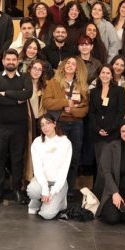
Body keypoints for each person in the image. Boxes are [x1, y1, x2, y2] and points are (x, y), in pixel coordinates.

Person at [0, 49, 33, 205]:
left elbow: (27, 94)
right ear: (3, 61)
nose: (11, 62)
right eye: (8, 59)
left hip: (19, 126)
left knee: (17, 159)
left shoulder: (25, 77)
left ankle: (17, 190)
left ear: (18, 61)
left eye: (14, 59)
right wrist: (16, 99)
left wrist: (5, 93)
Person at [43, 56, 90, 197]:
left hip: (76, 125)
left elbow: (85, 109)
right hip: (60, 123)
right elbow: (47, 103)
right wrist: (65, 102)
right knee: (58, 158)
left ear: (77, 68)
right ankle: (56, 189)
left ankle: (69, 190)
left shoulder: (82, 86)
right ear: (63, 66)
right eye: (68, 63)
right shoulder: (53, 83)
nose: (70, 65)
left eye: (73, 64)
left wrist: (73, 110)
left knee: (74, 158)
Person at [26, 115, 73, 220]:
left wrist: (52, 192)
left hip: (58, 183)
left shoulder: (65, 143)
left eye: (48, 123)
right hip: (41, 181)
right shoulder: (37, 142)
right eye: (42, 125)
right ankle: (37, 201)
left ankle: (60, 202)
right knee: (32, 190)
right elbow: (37, 168)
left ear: (54, 124)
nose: (45, 127)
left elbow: (64, 171)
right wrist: (45, 188)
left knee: (47, 215)